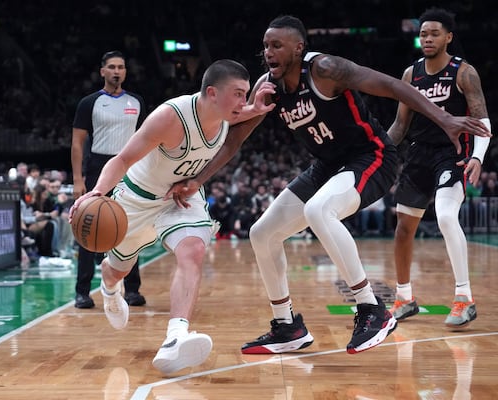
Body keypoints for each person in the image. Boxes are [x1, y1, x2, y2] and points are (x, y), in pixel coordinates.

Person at [166, 15, 490, 355]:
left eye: (276, 45)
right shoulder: (269, 86)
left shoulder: (325, 69)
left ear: (298, 47)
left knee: (319, 210)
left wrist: (444, 118)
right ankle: (287, 326)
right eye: (265, 46)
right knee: (261, 233)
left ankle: (372, 309)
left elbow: (392, 85)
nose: (268, 52)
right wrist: (198, 179)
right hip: (327, 166)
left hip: (372, 156)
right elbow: (234, 140)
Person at [69, 59, 272, 374]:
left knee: (193, 251)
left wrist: (256, 108)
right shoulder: (170, 117)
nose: (242, 102)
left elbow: (243, 113)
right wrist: (97, 192)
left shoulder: (225, 114)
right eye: (238, 94)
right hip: (136, 200)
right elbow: (122, 159)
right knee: (116, 270)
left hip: (178, 198)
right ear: (212, 93)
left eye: (246, 94)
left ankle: (176, 337)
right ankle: (109, 288)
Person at [387, 8, 491, 328]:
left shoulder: (464, 72)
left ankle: (464, 298)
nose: (427, 38)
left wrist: (477, 158)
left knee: (446, 216)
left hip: (452, 154)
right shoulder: (411, 74)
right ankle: (404, 298)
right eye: (423, 33)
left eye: (434, 33)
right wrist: (377, 150)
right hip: (418, 154)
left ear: (448, 37)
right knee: (404, 229)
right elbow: (400, 125)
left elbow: (483, 121)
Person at [70, 50, 147, 309]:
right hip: (98, 167)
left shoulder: (137, 101)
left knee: (130, 228)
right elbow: (77, 144)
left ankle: (132, 289)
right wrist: (78, 179)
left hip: (130, 168)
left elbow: (145, 140)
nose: (117, 71)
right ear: (102, 71)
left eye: (121, 67)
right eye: (112, 67)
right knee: (87, 228)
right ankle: (82, 291)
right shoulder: (89, 102)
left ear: (126, 72)